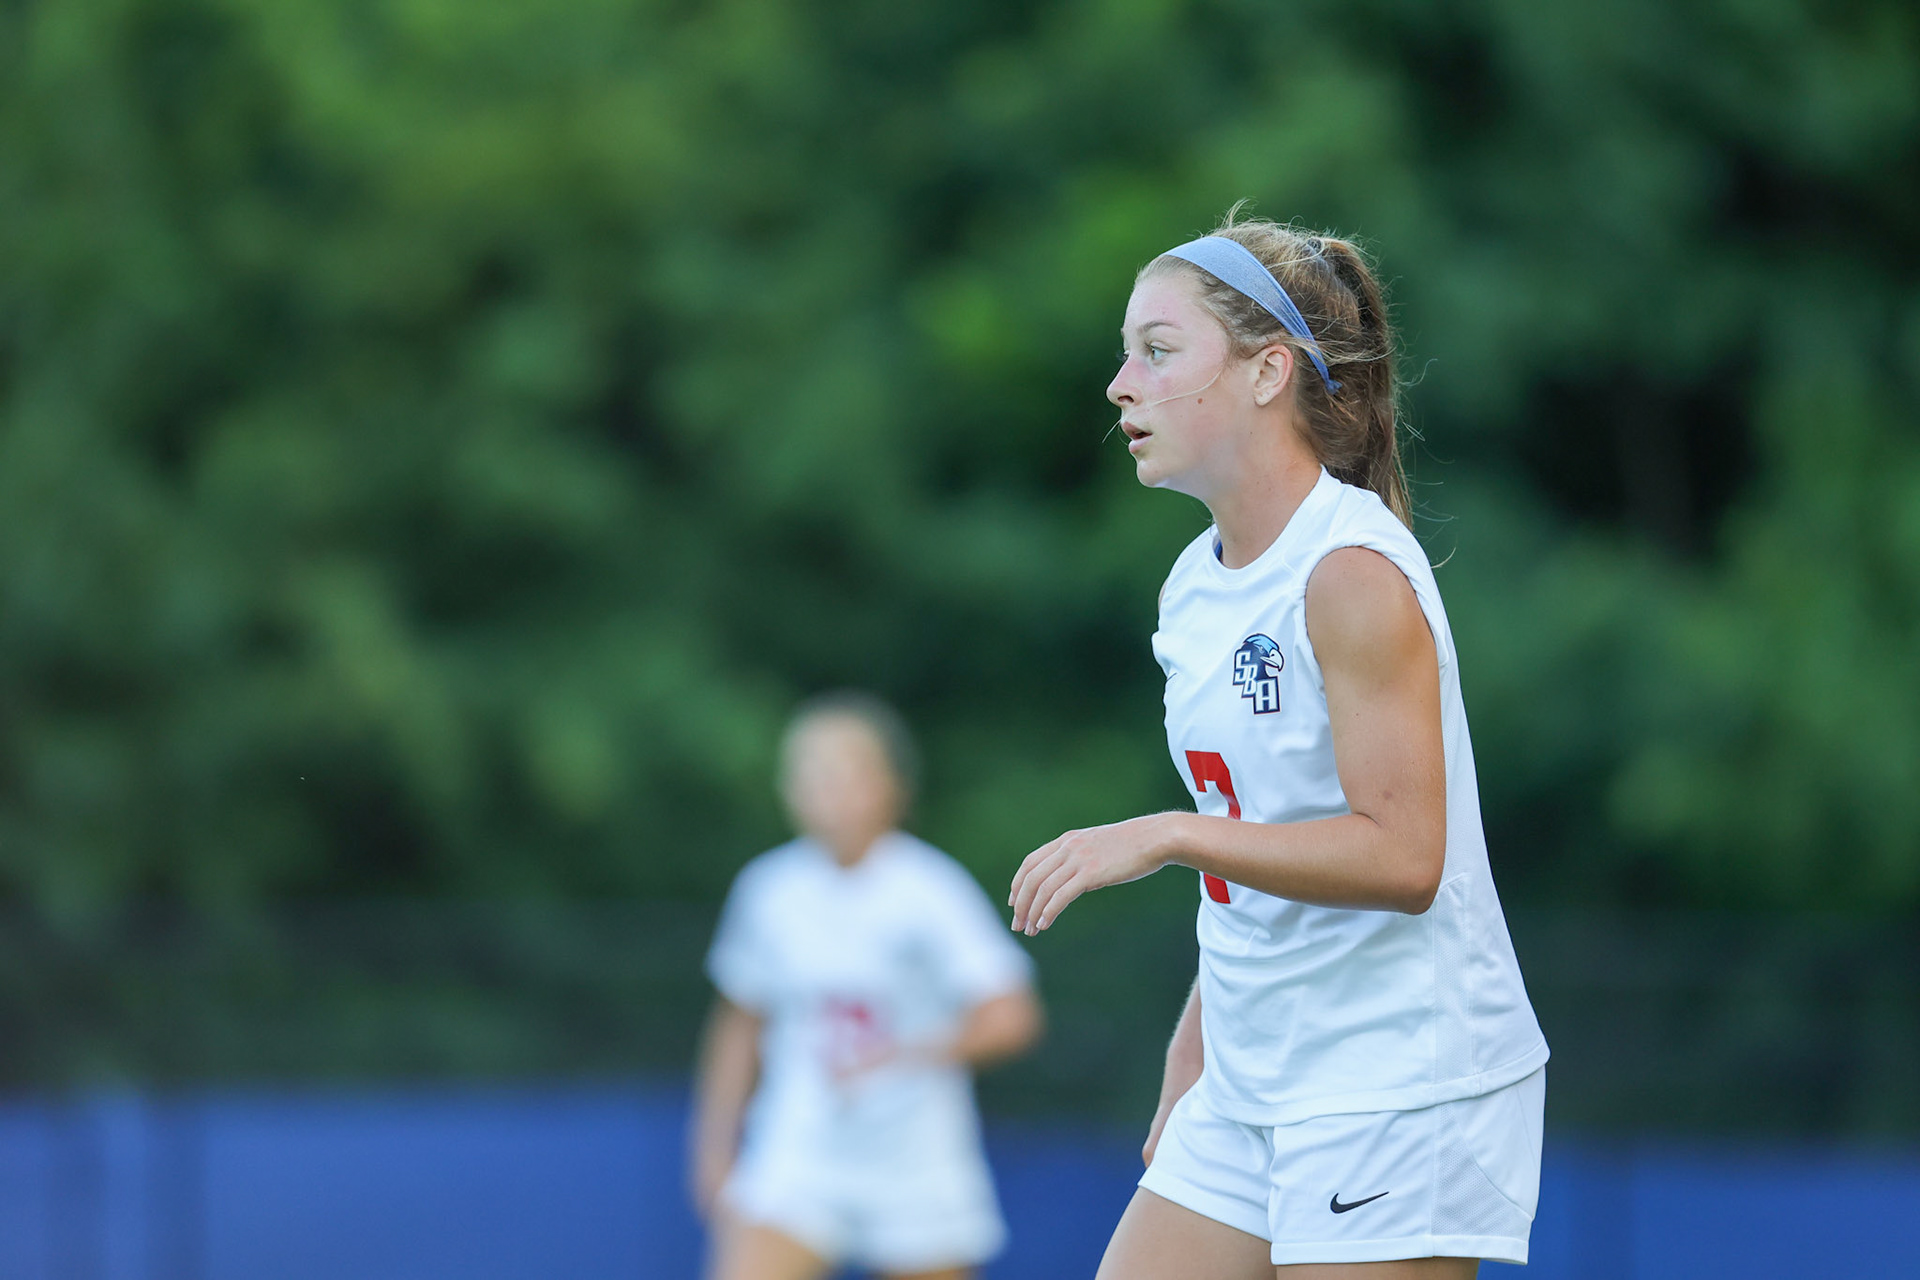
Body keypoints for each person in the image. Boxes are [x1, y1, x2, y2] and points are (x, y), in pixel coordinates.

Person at [1008, 211, 1549, 1278]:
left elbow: (1403, 858)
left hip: (1398, 1082)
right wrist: (1194, 1050)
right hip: (1252, 1081)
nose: (1122, 383)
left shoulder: (1349, 574)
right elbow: (1265, 847)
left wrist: (1168, 834)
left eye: (1158, 351)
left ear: (1266, 373)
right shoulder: (1195, 587)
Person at [692, 691, 1045, 1280]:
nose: (827, 791)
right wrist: (712, 1153)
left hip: (916, 1162)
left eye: (846, 773)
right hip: (799, 1154)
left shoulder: (930, 889)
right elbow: (738, 1023)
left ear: (893, 786)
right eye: (810, 774)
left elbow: (1012, 1016)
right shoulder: (769, 890)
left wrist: (908, 1054)